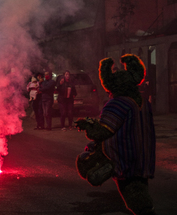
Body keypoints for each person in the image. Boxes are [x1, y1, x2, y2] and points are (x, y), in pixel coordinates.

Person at [75, 54, 156, 215]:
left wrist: (87, 126)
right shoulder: (143, 102)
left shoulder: (117, 103)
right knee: (140, 191)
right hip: (143, 157)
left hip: (125, 159)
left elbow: (103, 130)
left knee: (136, 200)